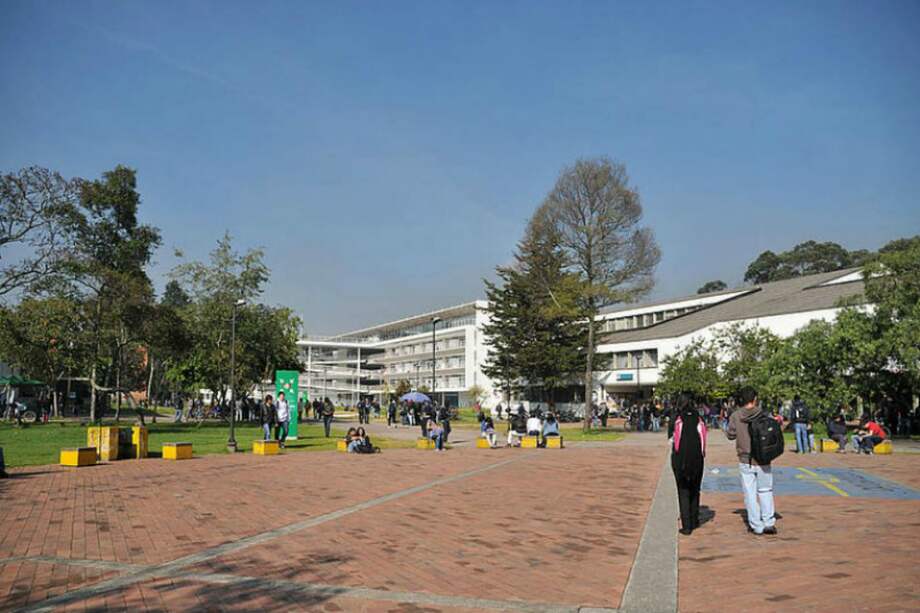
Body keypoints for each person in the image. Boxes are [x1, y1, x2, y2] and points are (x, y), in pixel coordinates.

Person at [726, 386, 777, 536]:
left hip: (745, 459)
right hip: (763, 458)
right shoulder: (763, 414)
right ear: (755, 399)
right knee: (765, 490)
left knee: (750, 493)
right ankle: (769, 522)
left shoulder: (736, 416)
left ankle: (756, 525)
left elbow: (730, 435)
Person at [669, 393, 707, 535]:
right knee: (695, 489)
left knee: (683, 490)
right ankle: (694, 519)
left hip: (680, 459)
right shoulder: (699, 418)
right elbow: (703, 440)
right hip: (698, 459)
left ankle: (687, 525)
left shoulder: (676, 418)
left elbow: (671, 440)